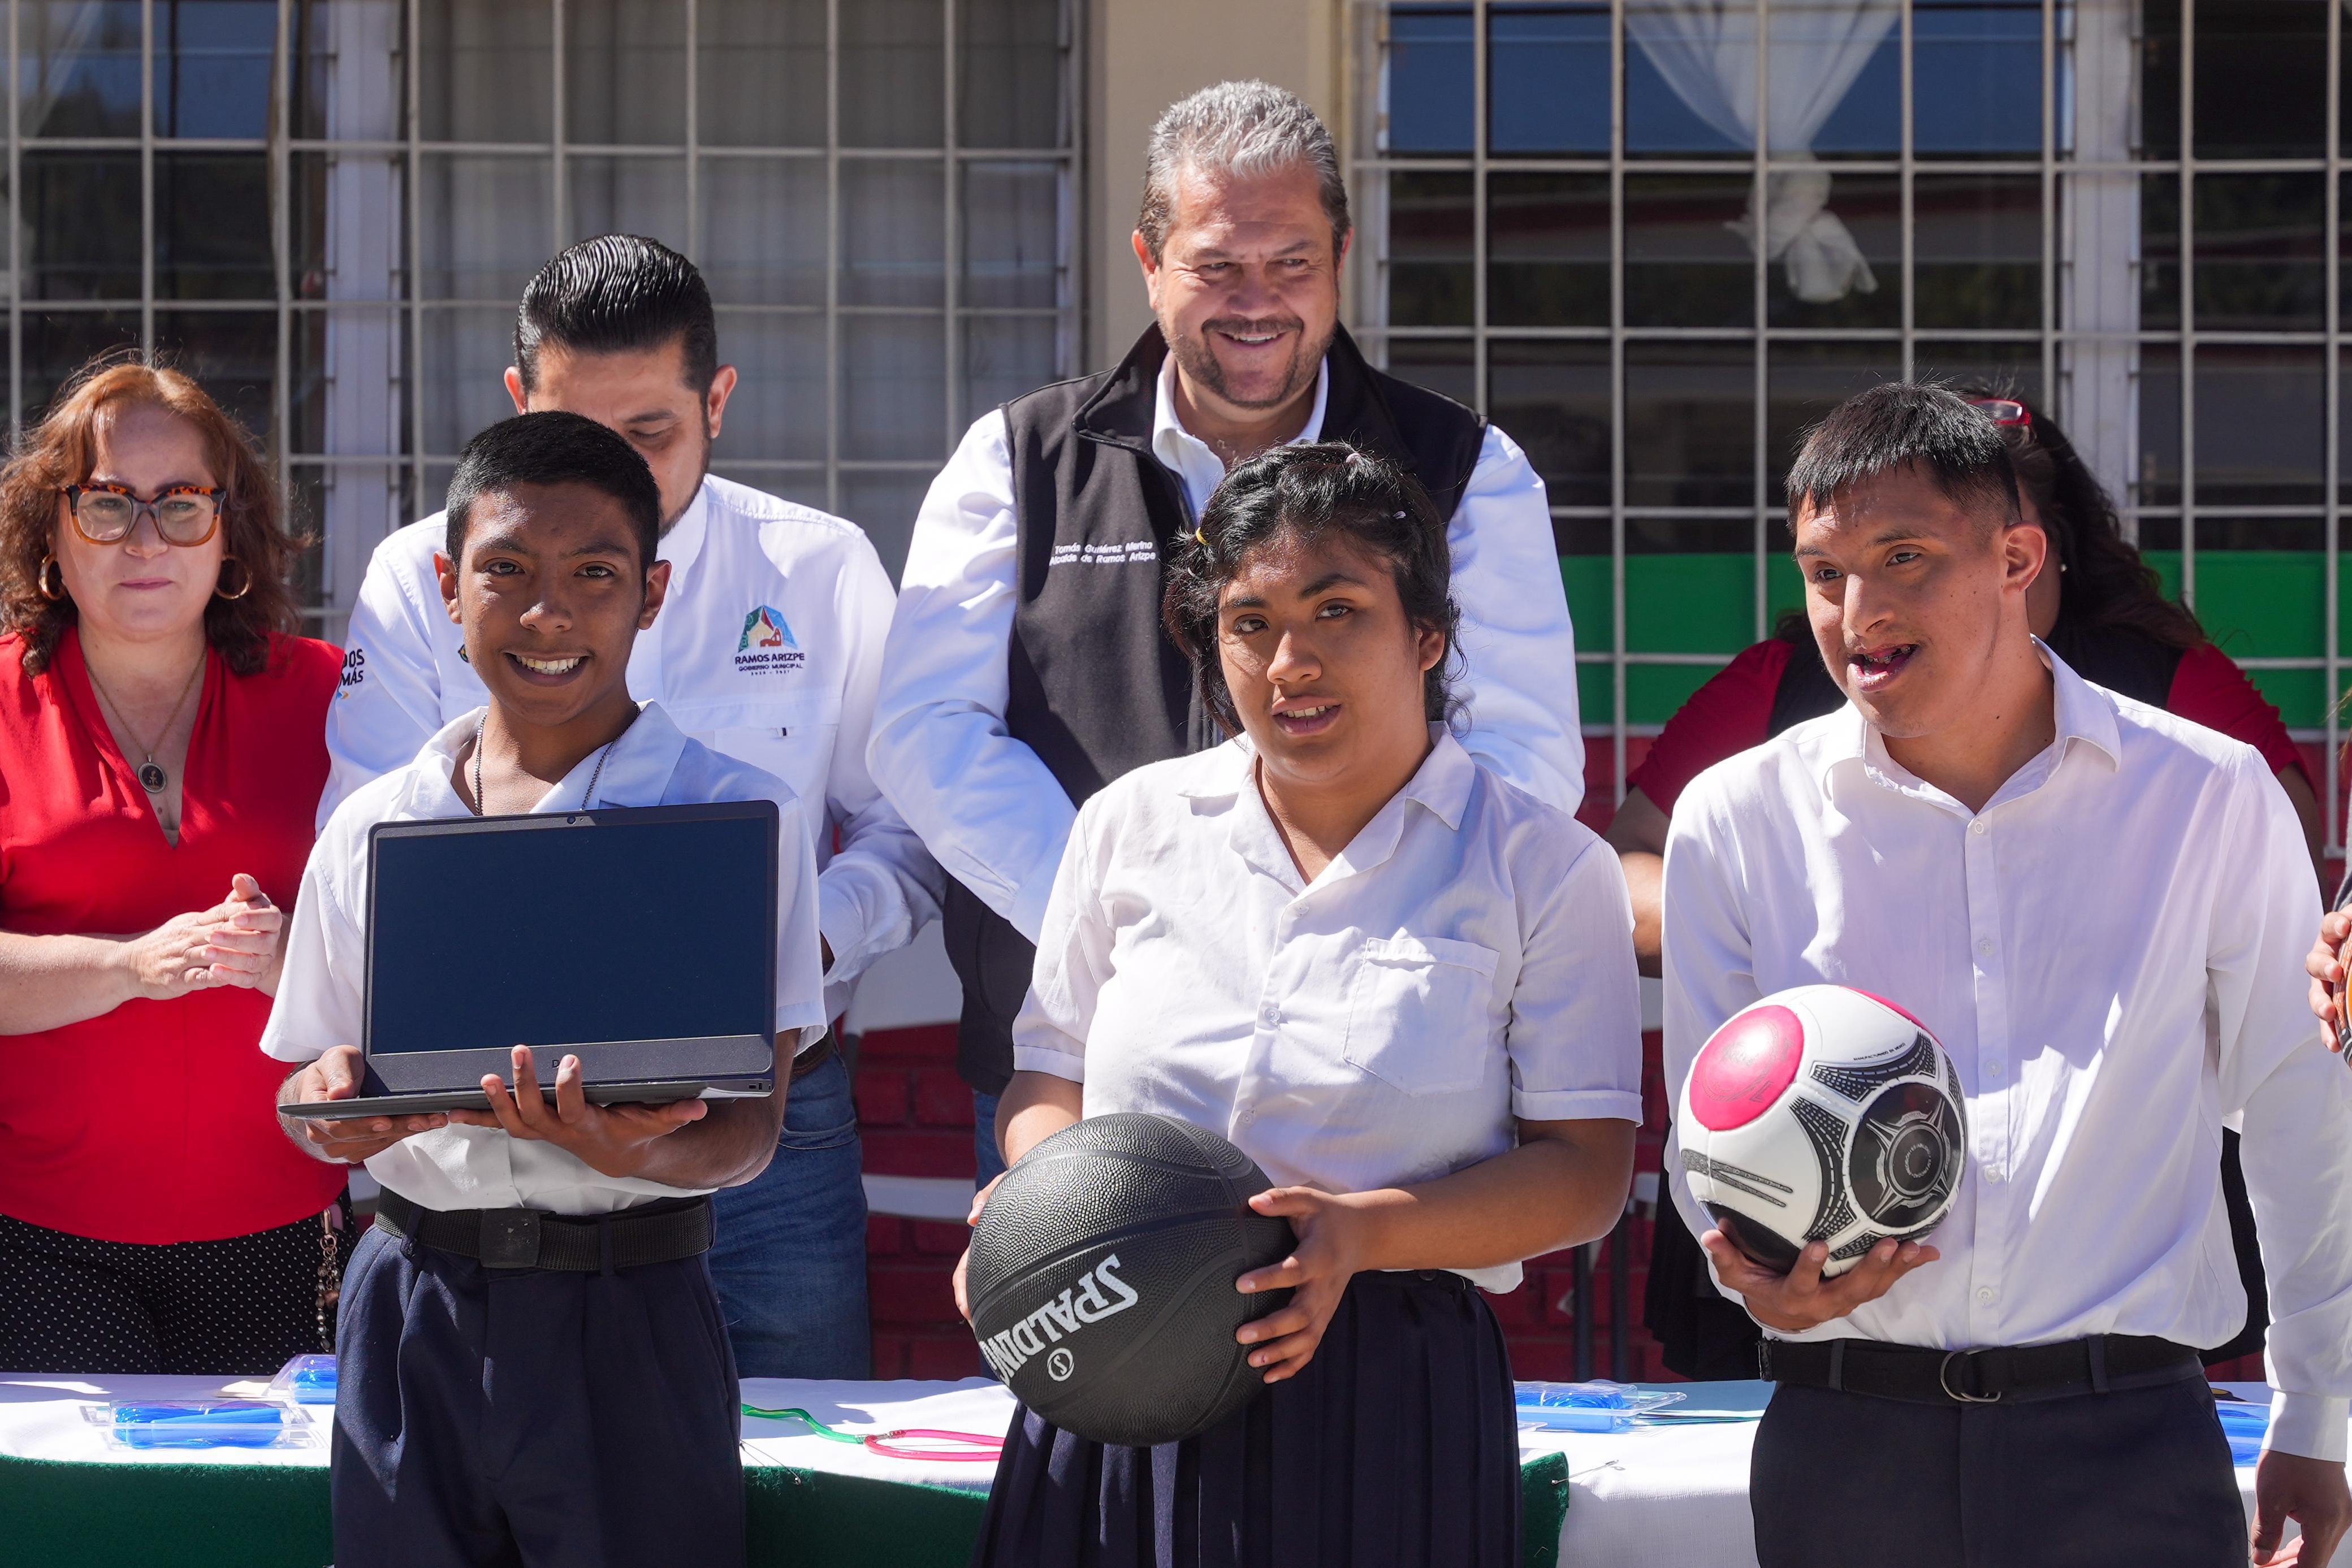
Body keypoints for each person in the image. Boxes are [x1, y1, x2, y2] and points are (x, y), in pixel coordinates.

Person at [1659, 383, 2352, 1568]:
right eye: (1824, 573)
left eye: (1905, 557)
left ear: (2018, 556)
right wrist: (1753, 1280)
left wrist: (2317, 1410)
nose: (1857, 609)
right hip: (1843, 1441)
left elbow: (2298, 1114)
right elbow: (1707, 1134)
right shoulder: (1733, 817)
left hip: (2132, 1443)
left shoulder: (2208, 795)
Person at [872, 81, 1583, 1185]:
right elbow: (929, 730)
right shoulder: (1017, 460)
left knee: (1380, 1354)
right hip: (1076, 1075)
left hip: (1376, 1082)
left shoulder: (1464, 472)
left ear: (1342, 254)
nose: (1257, 300)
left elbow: (1523, 761)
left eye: (1291, 262)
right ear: (1149, 261)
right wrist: (1130, 915)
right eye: (1217, 266)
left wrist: (1344, 929)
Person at [960, 444, 1640, 1566]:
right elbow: (1048, 1079)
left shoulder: (1539, 866)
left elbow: (1583, 1171)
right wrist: (1046, 1209)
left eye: (1338, 611)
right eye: (1250, 622)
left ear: (1425, 635)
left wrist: (1367, 1230)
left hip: (1386, 1395)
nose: (1291, 660)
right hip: (1118, 1349)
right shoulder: (1130, 826)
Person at [319, 235, 937, 1378]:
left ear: (719, 401)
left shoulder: (820, 571)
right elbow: (365, 846)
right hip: (488, 1126)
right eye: (574, 431)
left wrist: (783, 940)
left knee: (791, 1479)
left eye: (650, 435)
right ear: (516, 401)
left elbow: (907, 830)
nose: (614, 472)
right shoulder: (426, 575)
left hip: (768, 1108)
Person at [267, 412, 825, 1568]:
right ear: (445, 585)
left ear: (654, 591)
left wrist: (641, 1154)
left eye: (595, 574)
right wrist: (331, 1112)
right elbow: (305, 1091)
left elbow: (752, 1126)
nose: (548, 612)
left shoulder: (735, 822)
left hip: (629, 1310)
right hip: (412, 1306)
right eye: (506, 570)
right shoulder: (374, 827)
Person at [0, 359, 347, 1374]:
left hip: (283, 1228)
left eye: (181, 503)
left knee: (261, 1533)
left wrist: (297, 956)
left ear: (229, 531)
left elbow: (418, 953)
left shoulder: (330, 699)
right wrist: (133, 966)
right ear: (51, 536)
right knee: (79, 1536)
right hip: (35, 1235)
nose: (145, 540)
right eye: (107, 504)